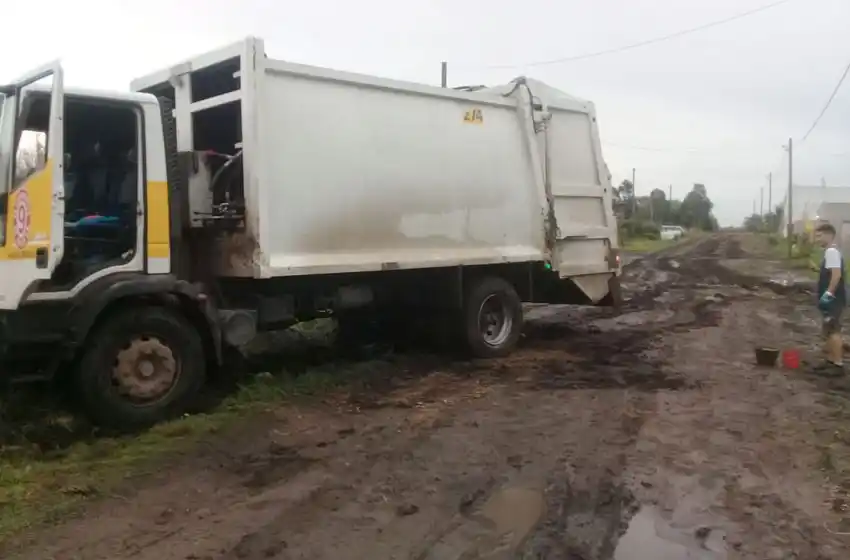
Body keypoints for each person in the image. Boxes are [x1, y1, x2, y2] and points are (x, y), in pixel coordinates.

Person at [815, 222, 846, 375]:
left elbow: (836, 275)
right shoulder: (829, 252)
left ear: (829, 235)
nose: (817, 239)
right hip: (831, 298)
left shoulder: (832, 252)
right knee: (827, 329)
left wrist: (828, 293)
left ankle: (838, 364)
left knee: (833, 330)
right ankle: (830, 360)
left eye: (819, 236)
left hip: (834, 299)